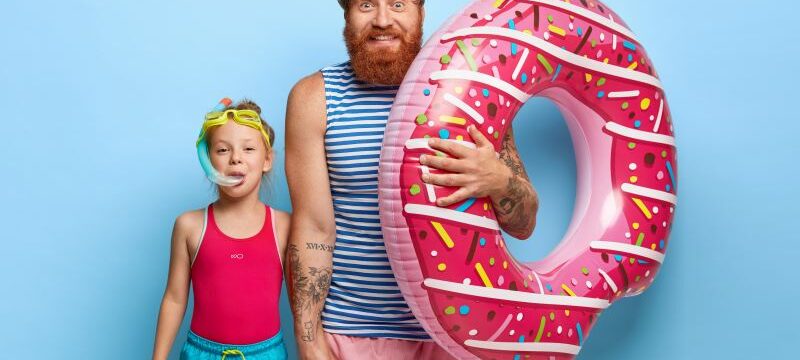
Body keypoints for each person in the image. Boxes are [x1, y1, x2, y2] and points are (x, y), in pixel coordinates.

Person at [285, 1, 540, 359]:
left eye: (398, 4)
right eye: (366, 5)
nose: (382, 20)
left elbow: (524, 224)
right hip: (352, 337)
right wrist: (309, 341)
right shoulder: (315, 98)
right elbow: (313, 229)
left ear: (420, 12)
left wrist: (499, 180)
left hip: (459, 336)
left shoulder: (472, 92)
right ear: (346, 13)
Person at [152, 99, 290, 360]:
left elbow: (302, 304)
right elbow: (174, 299)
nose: (236, 158)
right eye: (223, 150)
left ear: (267, 160)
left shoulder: (284, 226)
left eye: (248, 148)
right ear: (207, 160)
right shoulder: (189, 226)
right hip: (201, 353)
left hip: (267, 354)